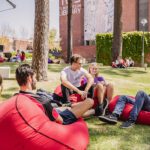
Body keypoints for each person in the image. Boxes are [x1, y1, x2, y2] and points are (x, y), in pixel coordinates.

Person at [15, 64, 94, 125]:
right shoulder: (42, 101)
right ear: (29, 79)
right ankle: (95, 111)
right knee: (90, 101)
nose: (36, 80)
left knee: (68, 107)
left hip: (48, 113)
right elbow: (60, 120)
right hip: (61, 119)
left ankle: (90, 110)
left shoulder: (17, 97)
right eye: (35, 78)